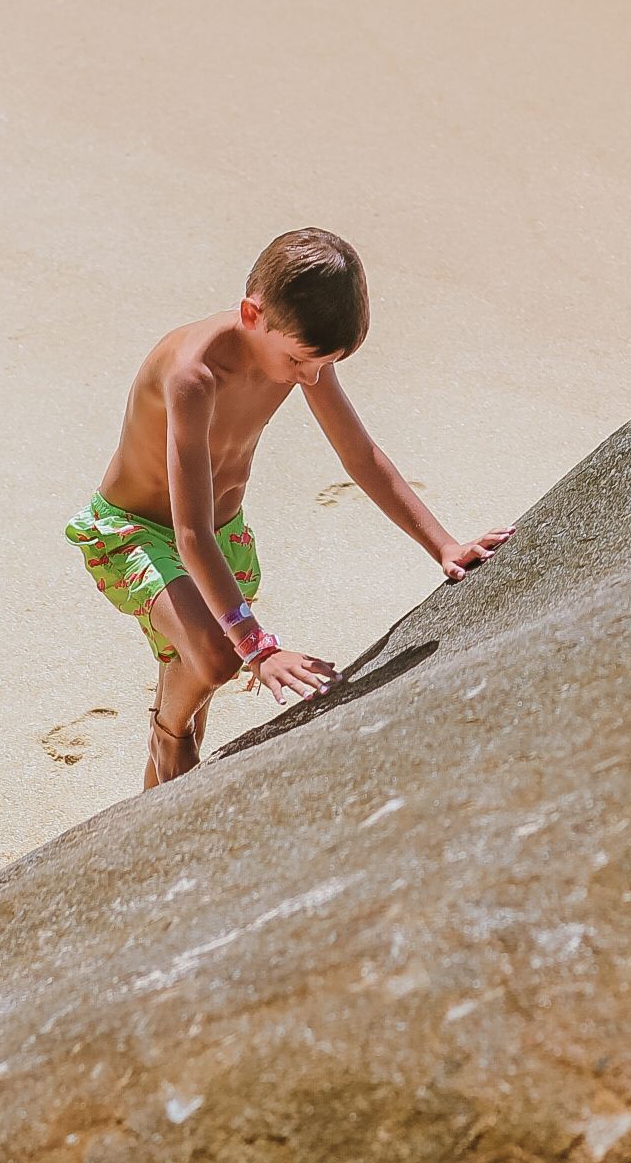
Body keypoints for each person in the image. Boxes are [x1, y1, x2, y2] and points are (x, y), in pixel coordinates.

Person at [66, 228, 513, 787]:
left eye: (322, 364)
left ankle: (162, 787)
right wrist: (260, 648)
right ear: (253, 315)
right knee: (217, 658)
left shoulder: (300, 354)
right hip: (141, 532)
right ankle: (169, 735)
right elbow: (188, 532)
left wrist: (442, 545)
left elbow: (360, 455)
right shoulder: (193, 375)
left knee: (199, 662)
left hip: (223, 534)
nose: (310, 377)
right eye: (301, 361)